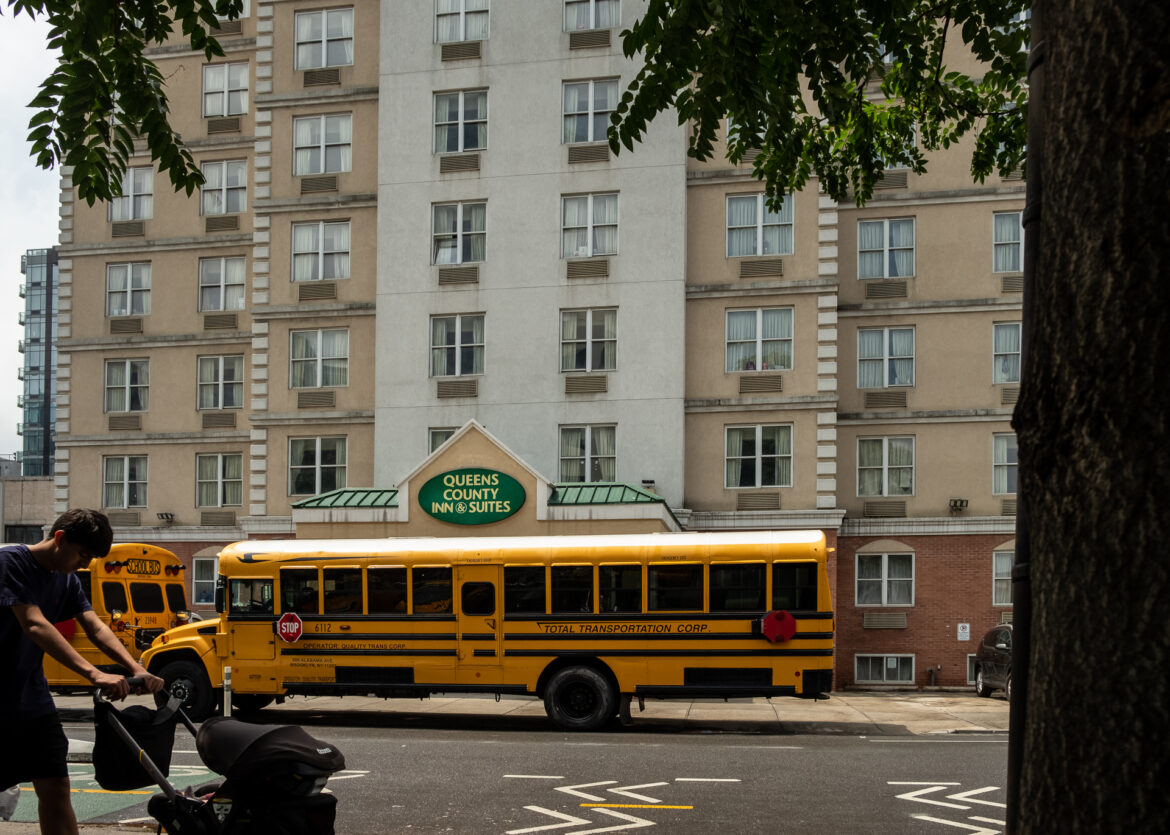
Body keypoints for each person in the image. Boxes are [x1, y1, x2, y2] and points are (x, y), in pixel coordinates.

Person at [0, 509, 165, 835]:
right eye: (83, 555)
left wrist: (135, 668)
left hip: (31, 699)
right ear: (60, 539)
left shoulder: (67, 579)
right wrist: (95, 674)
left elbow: (94, 626)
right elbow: (35, 624)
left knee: (56, 785)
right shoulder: (10, 563)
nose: (85, 564)